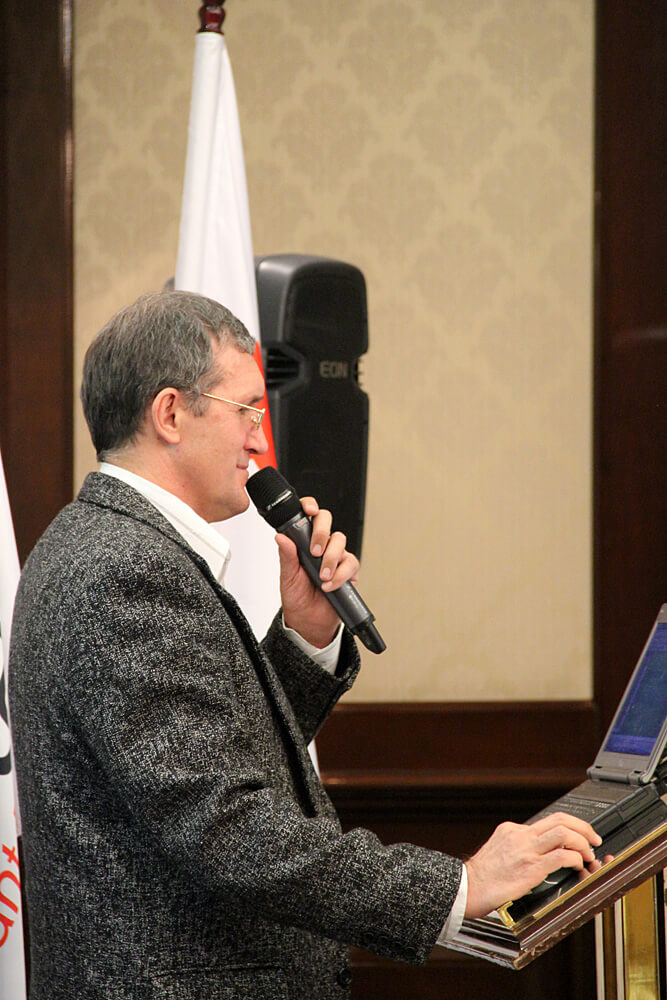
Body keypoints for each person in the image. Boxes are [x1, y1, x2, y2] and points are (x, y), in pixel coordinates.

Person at [9, 291, 602, 1000]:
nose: (260, 442)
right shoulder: (125, 568)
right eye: (246, 410)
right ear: (170, 414)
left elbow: (203, 759)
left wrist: (304, 633)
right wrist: (461, 884)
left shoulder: (105, 544)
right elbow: (226, 828)